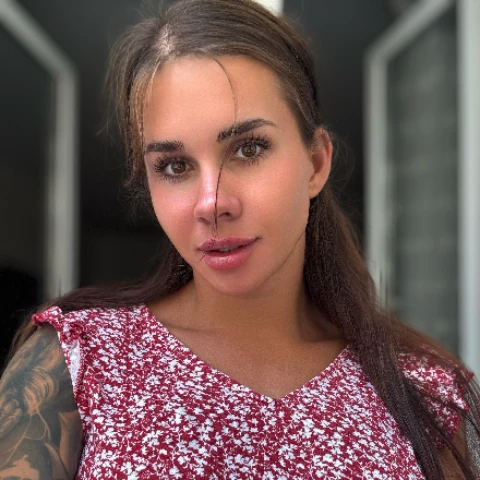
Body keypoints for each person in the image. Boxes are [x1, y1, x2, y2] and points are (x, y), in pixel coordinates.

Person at [0, 0, 479, 478]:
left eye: (249, 149)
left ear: (316, 163)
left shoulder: (423, 391)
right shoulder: (75, 363)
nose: (212, 203)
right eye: (174, 166)